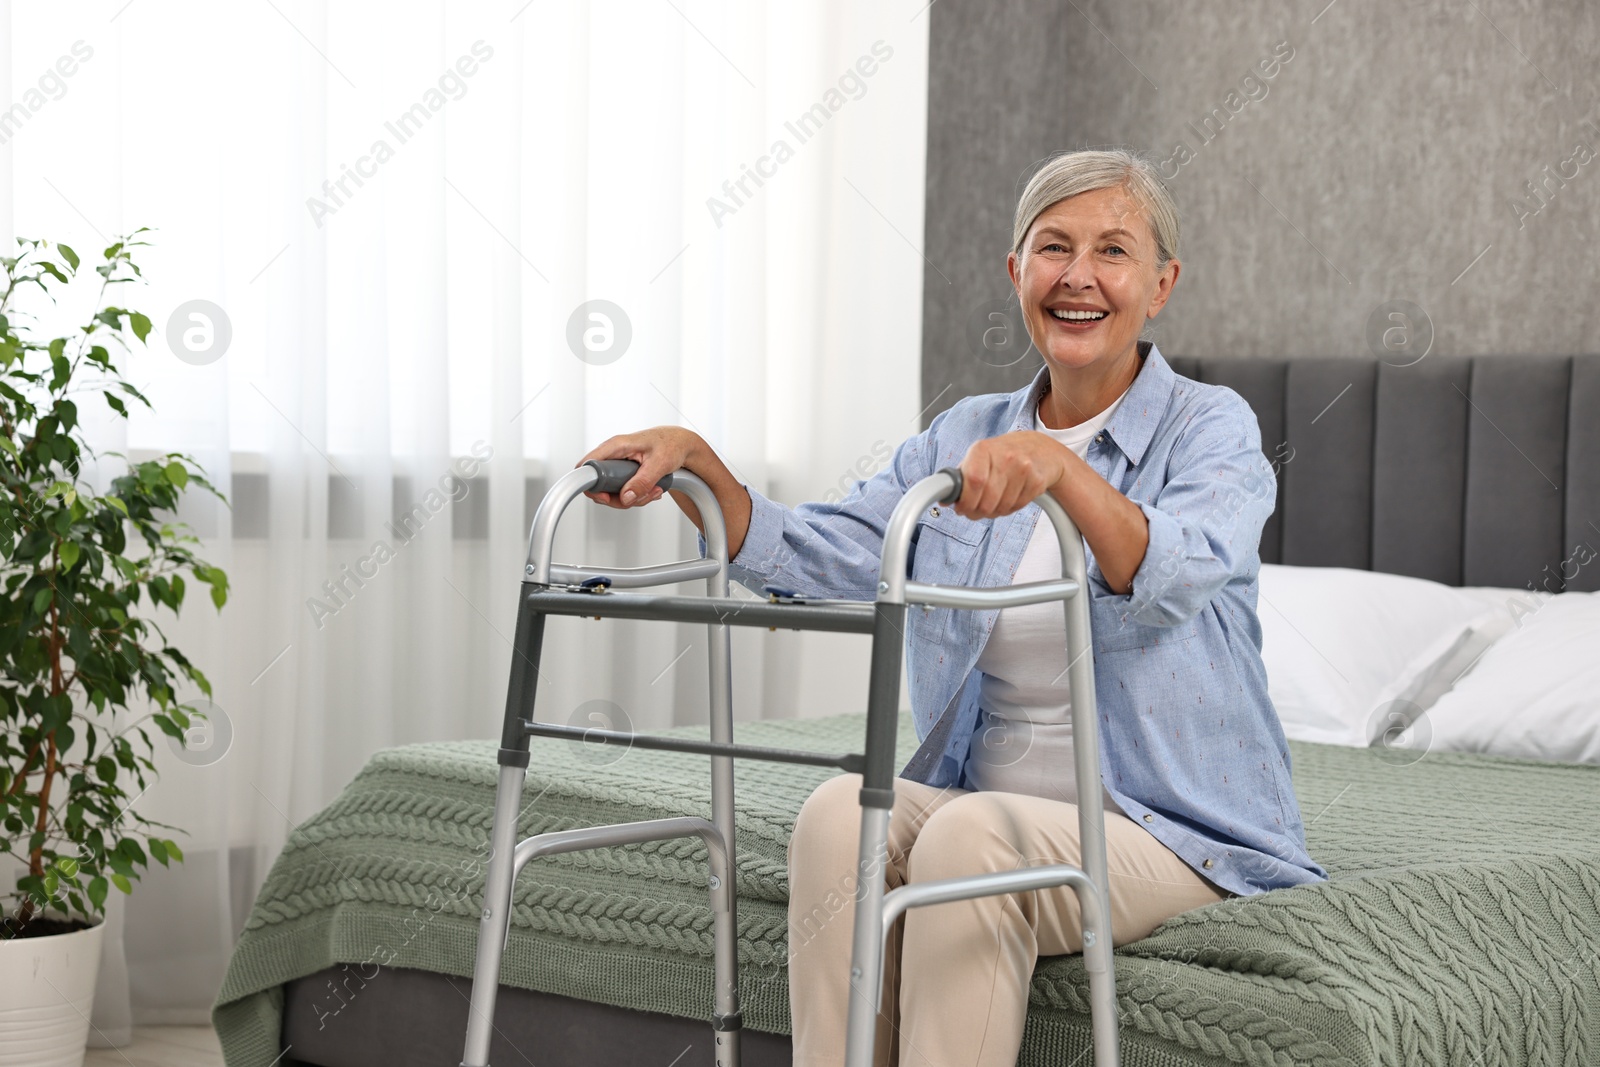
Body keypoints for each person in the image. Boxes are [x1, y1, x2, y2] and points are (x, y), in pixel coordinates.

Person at [577, 147, 1327, 1067]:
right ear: (1017, 272)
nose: (1079, 276)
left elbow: (1168, 577)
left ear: (1161, 283)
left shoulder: (1212, 428)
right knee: (836, 813)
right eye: (1053, 248)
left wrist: (1060, 469)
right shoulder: (965, 432)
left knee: (970, 837)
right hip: (994, 802)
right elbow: (838, 548)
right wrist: (701, 466)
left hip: (1177, 830)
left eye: (1113, 251)